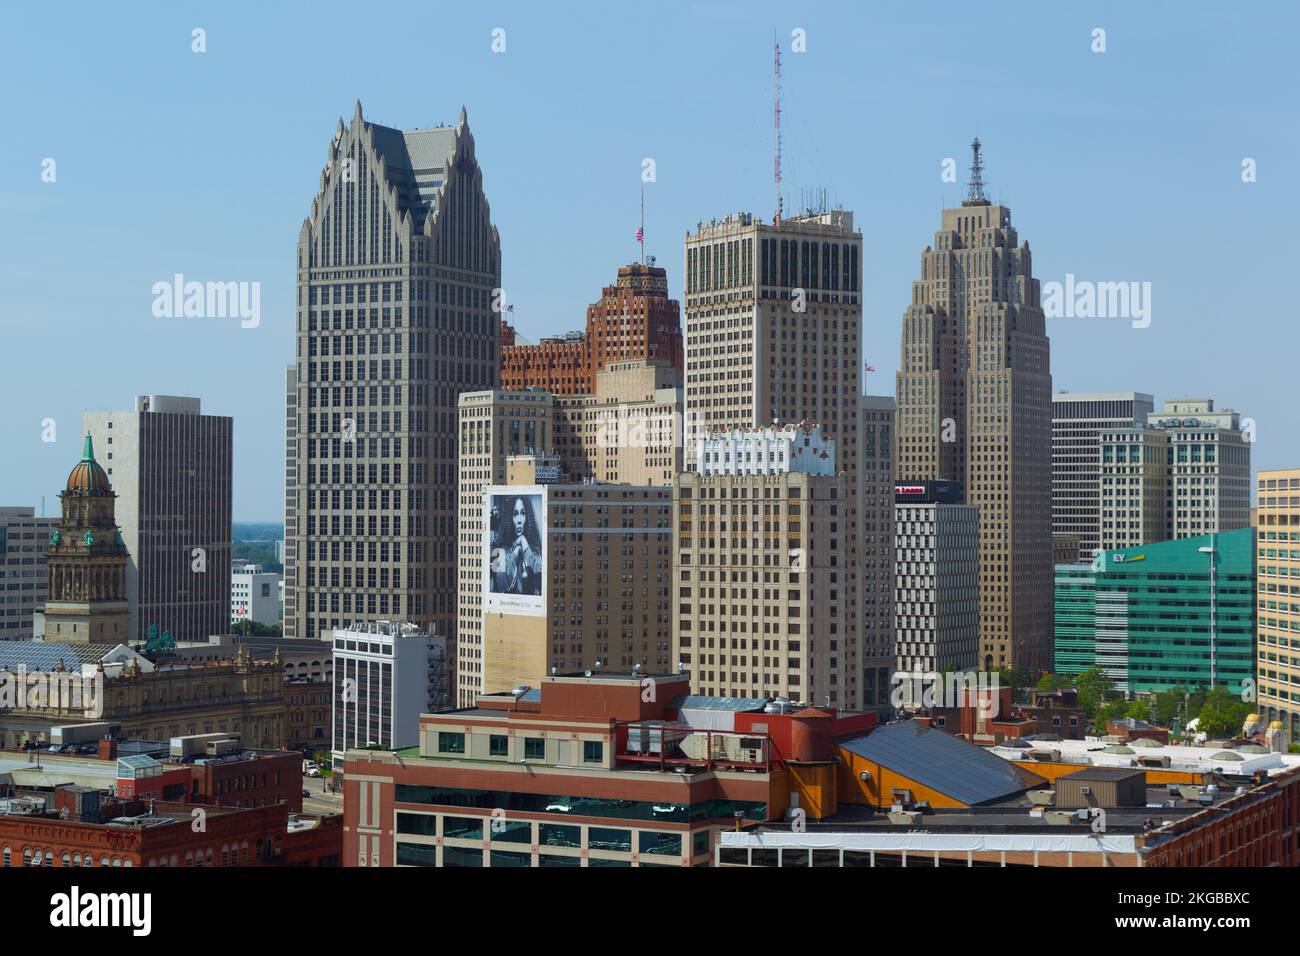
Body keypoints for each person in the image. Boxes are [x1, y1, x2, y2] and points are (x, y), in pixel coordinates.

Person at [489, 496, 542, 595]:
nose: (519, 520)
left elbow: (538, 582)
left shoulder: (535, 551)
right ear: (509, 518)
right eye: (515, 514)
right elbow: (502, 584)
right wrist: (515, 552)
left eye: (523, 513)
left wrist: (523, 542)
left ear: (527, 517)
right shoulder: (499, 550)